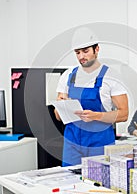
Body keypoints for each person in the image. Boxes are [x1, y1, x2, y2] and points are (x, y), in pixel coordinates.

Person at [54, 27, 129, 166]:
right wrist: (61, 106)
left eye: (85, 51)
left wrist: (96, 116)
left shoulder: (111, 76)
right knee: (69, 181)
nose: (81, 56)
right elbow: (58, 116)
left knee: (98, 181)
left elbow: (124, 114)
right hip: (72, 139)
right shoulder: (68, 76)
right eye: (77, 53)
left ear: (97, 49)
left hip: (99, 140)